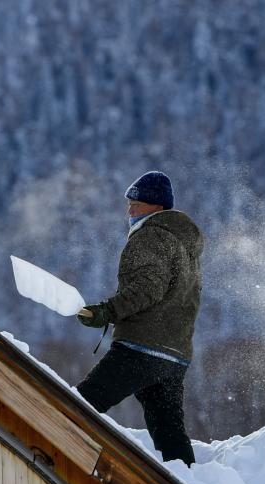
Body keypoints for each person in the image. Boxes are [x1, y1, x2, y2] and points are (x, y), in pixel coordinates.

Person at [76, 171, 203, 466]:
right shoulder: (186, 247)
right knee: (170, 436)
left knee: (79, 405)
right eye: (129, 202)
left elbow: (148, 288)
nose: (130, 209)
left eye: (137, 202)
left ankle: (48, 459)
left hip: (141, 347)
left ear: (156, 207)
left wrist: (106, 312)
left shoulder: (151, 235)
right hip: (175, 356)